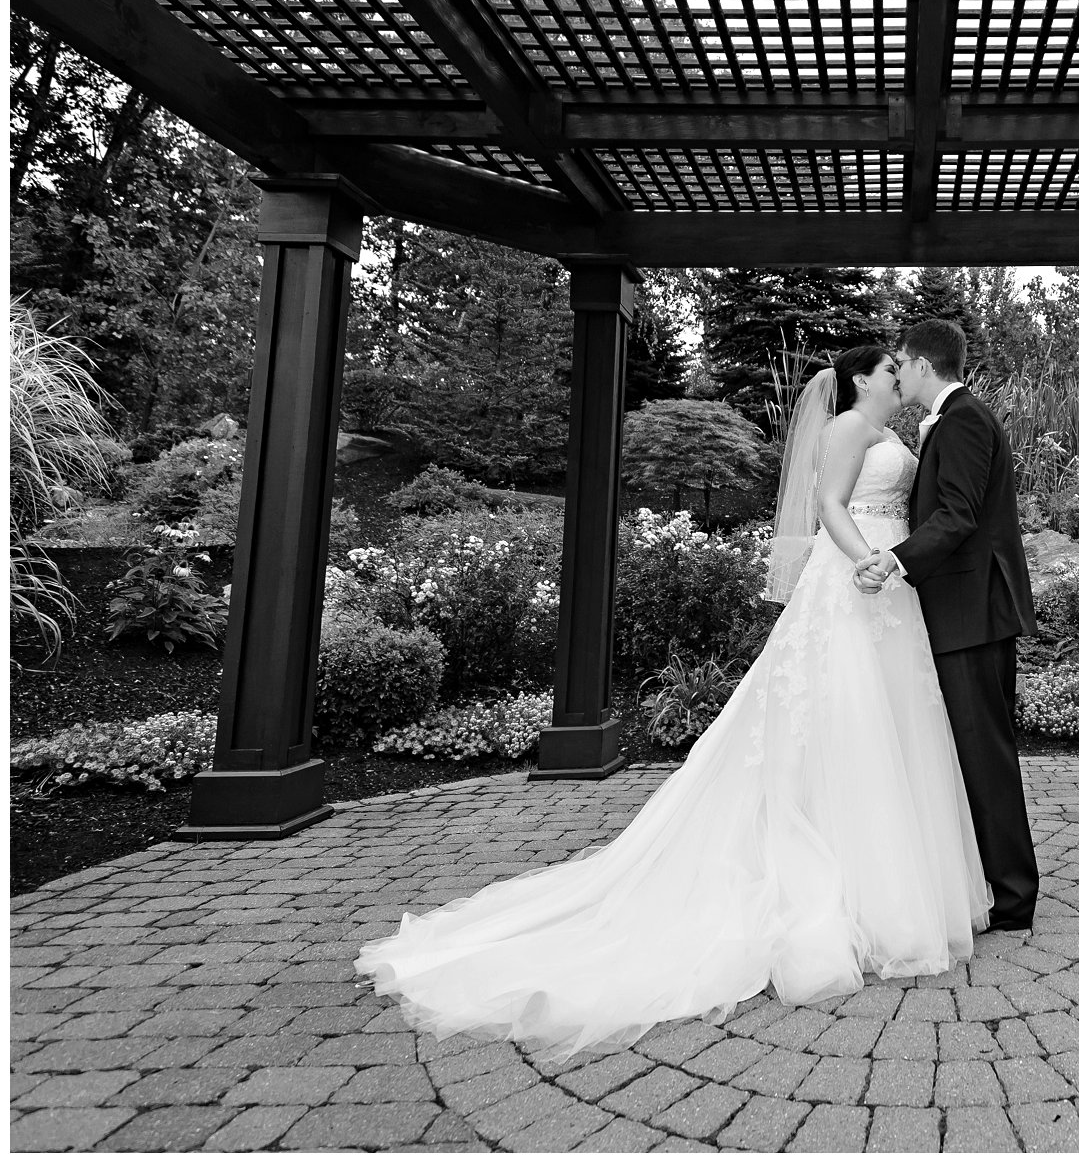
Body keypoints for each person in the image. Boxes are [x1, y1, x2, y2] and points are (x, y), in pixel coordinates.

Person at [354, 344, 992, 1062]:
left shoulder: (894, 436)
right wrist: (865, 562)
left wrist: (893, 563)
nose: (896, 376)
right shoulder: (848, 428)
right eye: (885, 370)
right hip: (854, 580)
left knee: (886, 724)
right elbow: (828, 507)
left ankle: (887, 880)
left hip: (890, 585)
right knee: (840, 716)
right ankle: (852, 886)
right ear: (857, 381)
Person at [854, 320, 1041, 931]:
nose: (897, 374)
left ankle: (1014, 899)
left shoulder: (961, 419)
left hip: (972, 611)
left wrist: (896, 558)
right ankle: (994, 883)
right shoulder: (953, 418)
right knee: (975, 749)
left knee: (985, 752)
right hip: (965, 608)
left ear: (923, 364)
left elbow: (958, 515)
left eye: (901, 364)